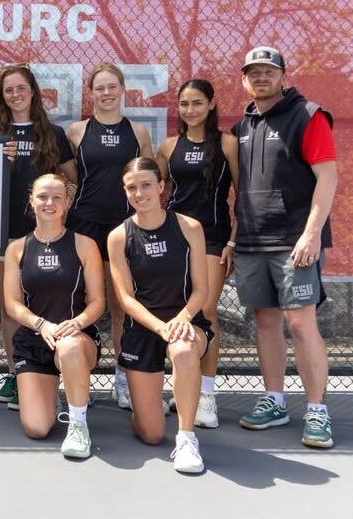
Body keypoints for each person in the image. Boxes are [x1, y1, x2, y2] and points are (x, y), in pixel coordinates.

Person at [230, 47, 337, 449]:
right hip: (253, 242)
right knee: (265, 322)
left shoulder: (308, 115)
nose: (261, 78)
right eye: (254, 73)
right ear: (244, 79)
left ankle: (317, 410)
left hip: (294, 242)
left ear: (282, 75)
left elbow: (327, 178)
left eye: (268, 72)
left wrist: (311, 234)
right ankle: (275, 401)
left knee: (300, 324)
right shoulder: (243, 124)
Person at [107, 157, 213, 474]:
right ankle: (145, 409)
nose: (140, 193)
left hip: (187, 323)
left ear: (161, 187)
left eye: (147, 185)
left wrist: (182, 319)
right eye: (132, 188)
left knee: (182, 349)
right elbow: (125, 297)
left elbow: (201, 291)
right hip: (142, 331)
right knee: (152, 434)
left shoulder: (189, 227)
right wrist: (159, 327)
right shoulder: (118, 236)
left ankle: (186, 439)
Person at [0, 63, 76, 409]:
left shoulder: (53, 133)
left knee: (47, 305)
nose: (15, 94)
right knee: (11, 307)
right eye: (9, 90)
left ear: (33, 91)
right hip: (1, 236)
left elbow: (71, 182)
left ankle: (53, 373)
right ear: (2, 97)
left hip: (44, 236)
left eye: (21, 88)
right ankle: (16, 372)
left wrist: (55, 212)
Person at [65, 62, 153, 410]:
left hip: (125, 228)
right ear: (91, 93)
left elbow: (146, 184)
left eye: (111, 86)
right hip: (84, 225)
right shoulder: (76, 132)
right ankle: (75, 376)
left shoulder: (139, 132)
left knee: (122, 306)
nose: (106, 93)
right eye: (99, 88)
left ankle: (123, 378)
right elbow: (71, 176)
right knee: (81, 303)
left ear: (122, 90)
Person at [2, 173, 105, 459]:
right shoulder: (17, 249)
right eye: (43, 196)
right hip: (35, 341)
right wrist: (42, 324)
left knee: (69, 346)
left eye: (57, 197)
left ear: (67, 202)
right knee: (37, 428)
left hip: (77, 340)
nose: (50, 203)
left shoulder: (85, 245)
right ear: (31, 200)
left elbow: (97, 302)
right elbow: (12, 304)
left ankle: (78, 425)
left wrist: (78, 324)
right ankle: (58, 397)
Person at [155, 79, 239, 428]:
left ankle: (206, 396)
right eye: (184, 104)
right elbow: (152, 189)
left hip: (214, 236)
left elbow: (242, 195)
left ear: (211, 104)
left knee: (205, 311)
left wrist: (234, 240)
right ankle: (178, 384)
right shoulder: (168, 146)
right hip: (174, 237)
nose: (190, 110)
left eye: (197, 103)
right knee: (174, 311)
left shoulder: (228, 144)